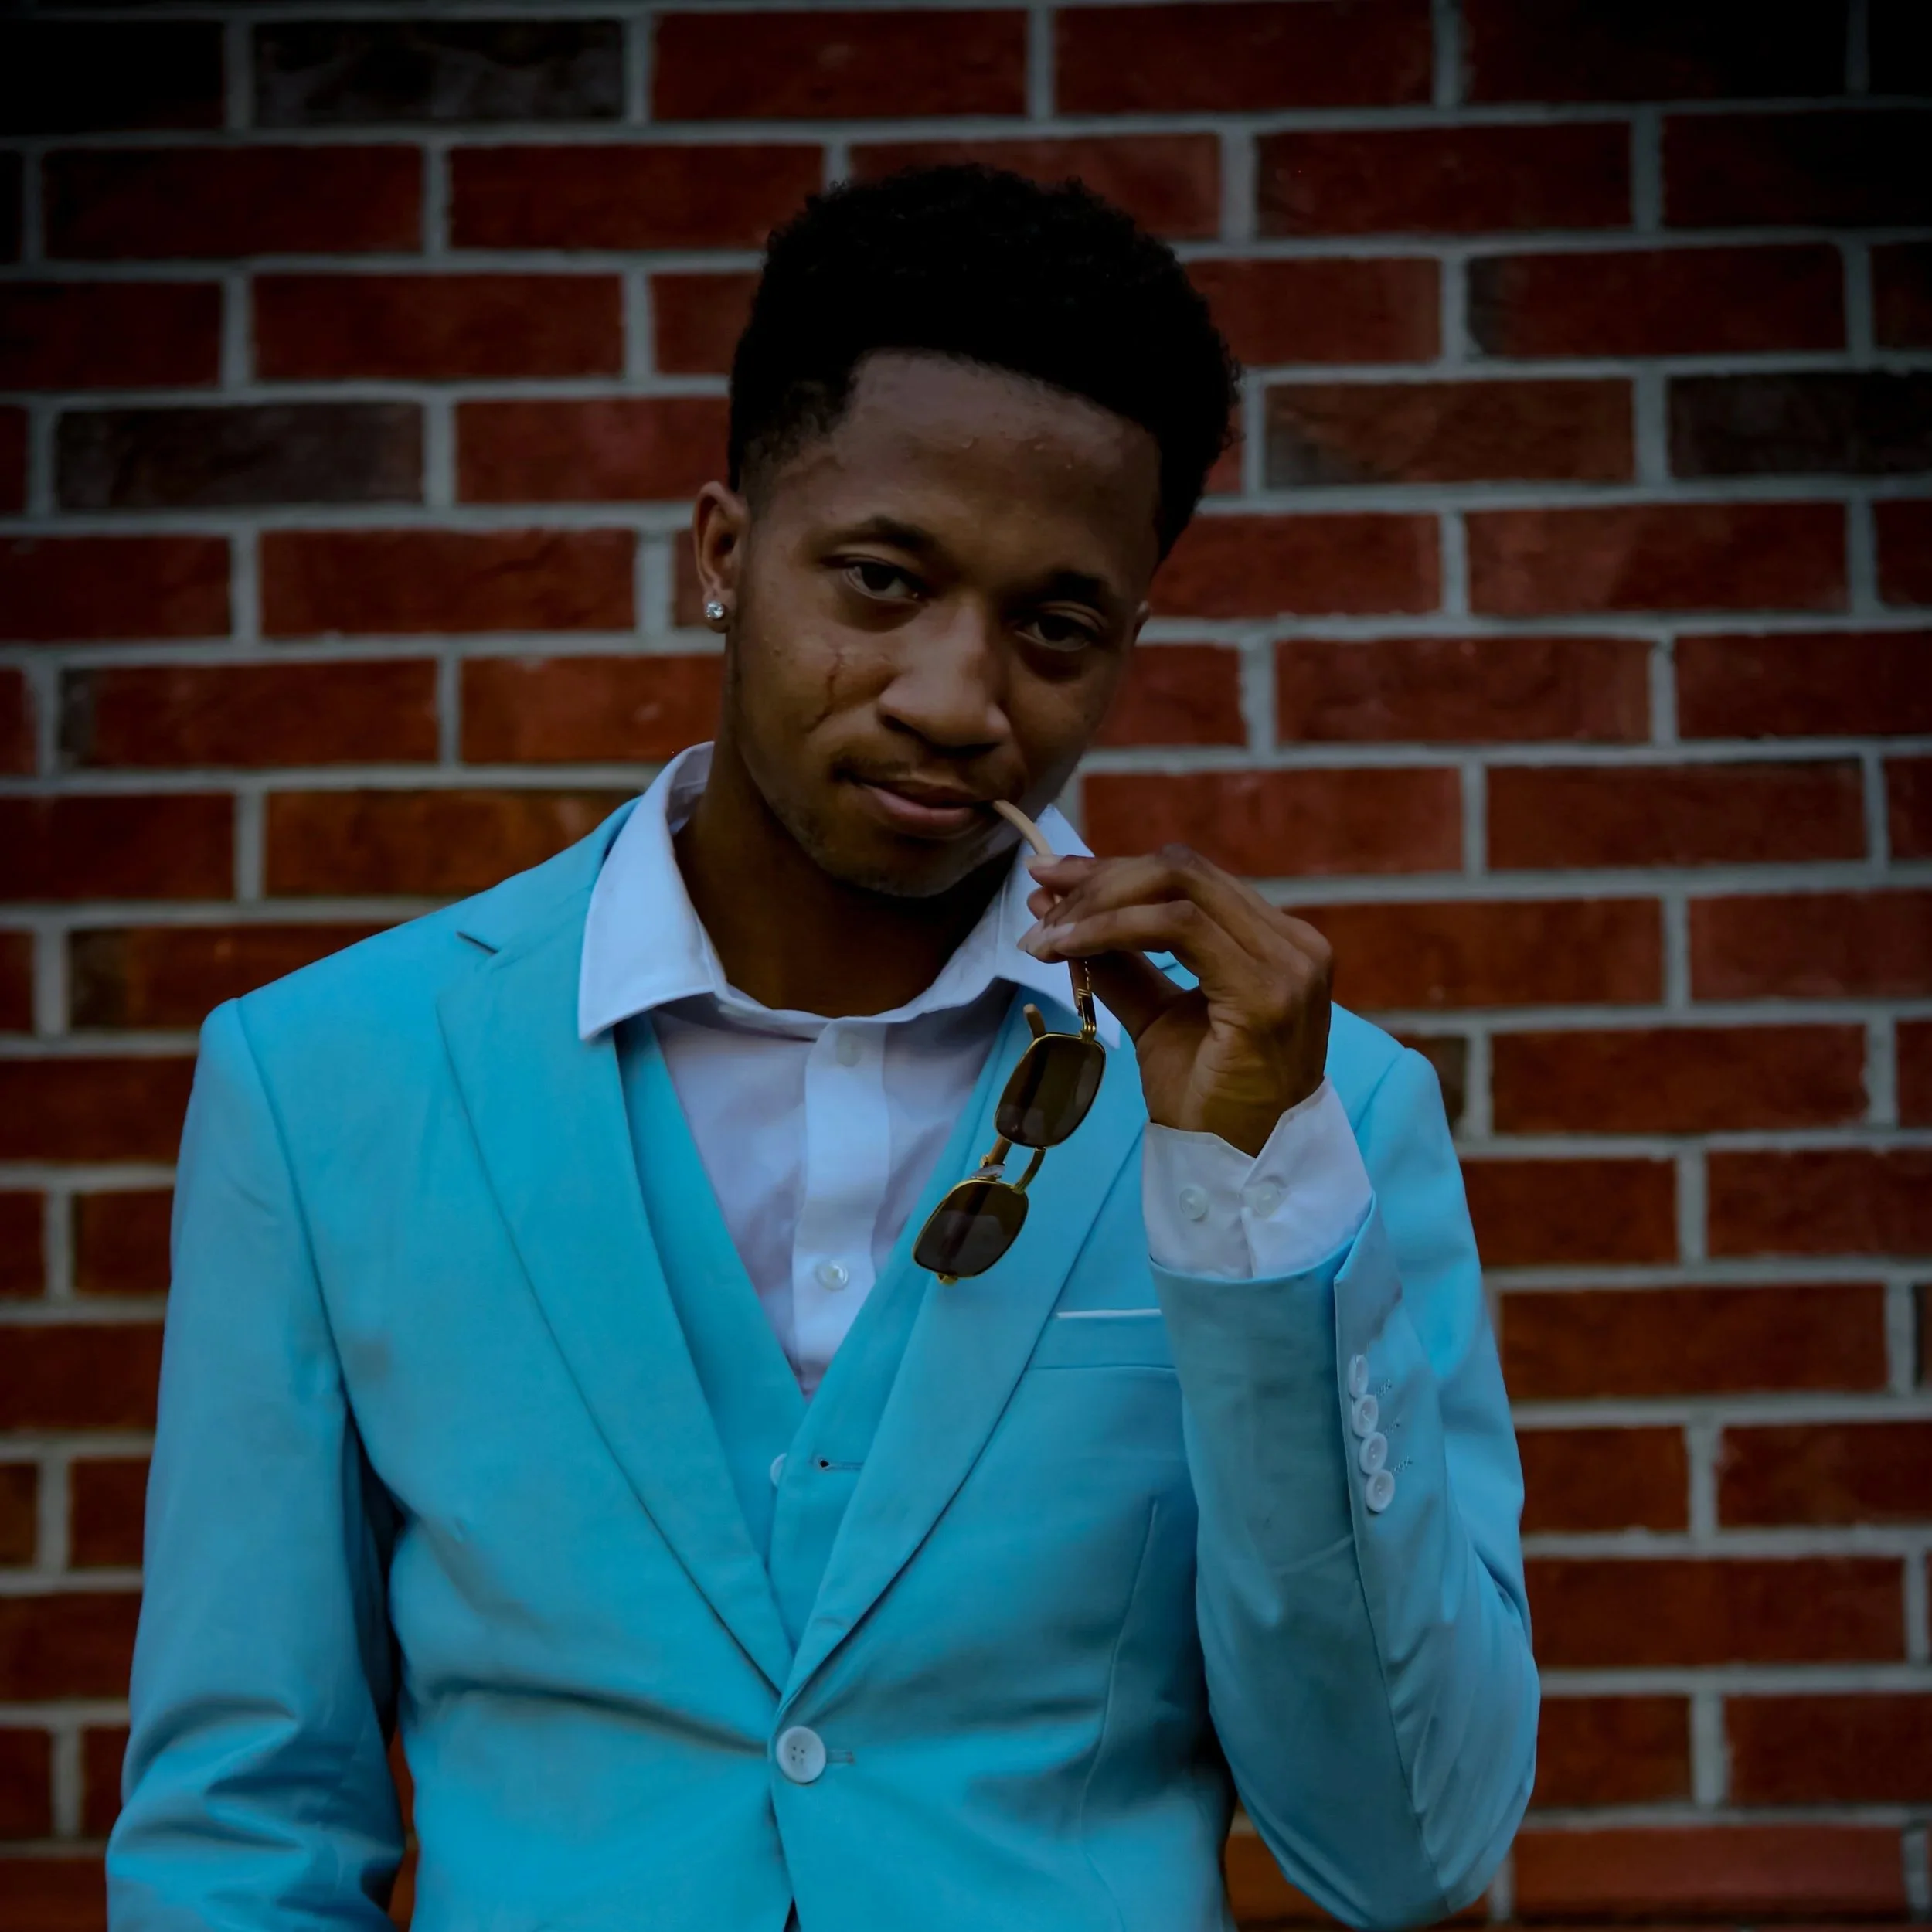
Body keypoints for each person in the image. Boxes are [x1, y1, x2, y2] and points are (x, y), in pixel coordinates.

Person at [109, 164, 1537, 1932]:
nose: (953, 694)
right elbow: (245, 1822)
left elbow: (1406, 1847)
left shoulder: (1324, 1119)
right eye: (878, 580)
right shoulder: (328, 1079)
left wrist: (1248, 1210)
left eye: (1052, 625)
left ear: (1128, 640)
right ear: (722, 551)